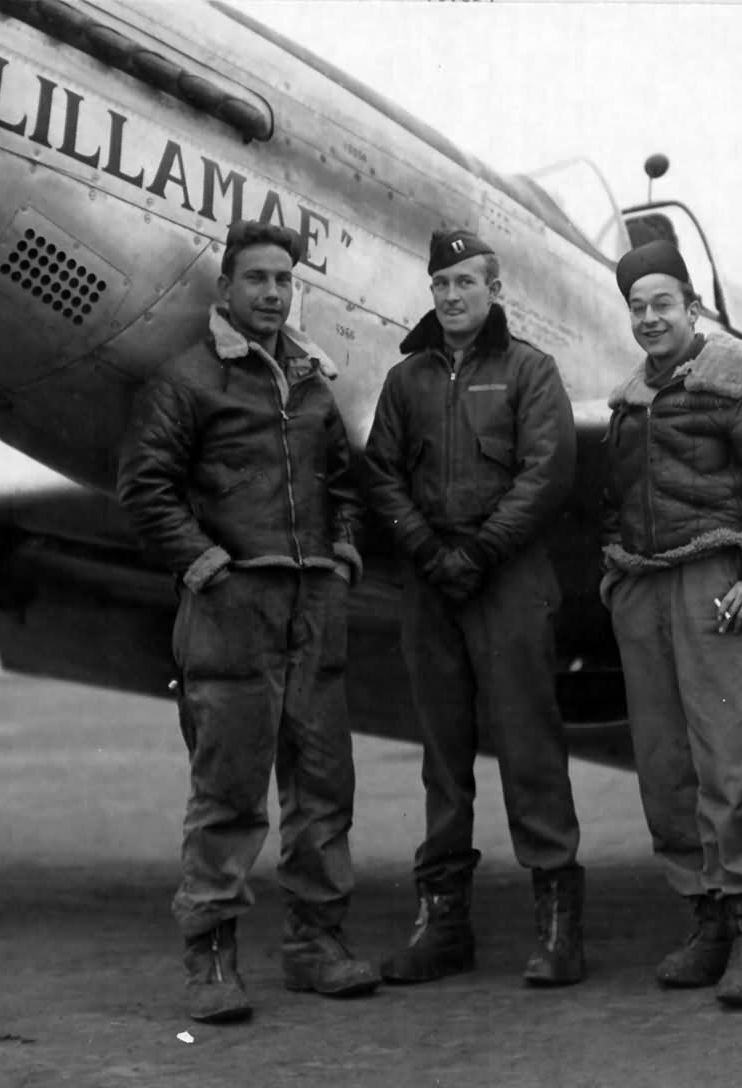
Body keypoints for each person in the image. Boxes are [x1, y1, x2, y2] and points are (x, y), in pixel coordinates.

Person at [117, 221, 379, 1023]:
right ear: (225, 289)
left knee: (323, 786)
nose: (271, 293)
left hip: (314, 608)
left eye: (283, 281)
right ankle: (213, 961)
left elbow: (345, 482)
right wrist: (206, 568)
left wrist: (342, 555)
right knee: (228, 790)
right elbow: (144, 486)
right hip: (231, 609)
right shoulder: (187, 382)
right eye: (257, 279)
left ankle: (316, 946)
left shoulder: (310, 386)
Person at [599, 239, 742, 1007]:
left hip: (714, 588)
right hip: (643, 589)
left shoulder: (739, 380)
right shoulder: (629, 400)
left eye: (663, 304)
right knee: (666, 767)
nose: (649, 319)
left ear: (693, 309)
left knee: (736, 763)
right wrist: (615, 580)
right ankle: (704, 920)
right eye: (637, 307)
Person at [362, 229, 586, 987]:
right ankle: (443, 925)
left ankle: (558, 929)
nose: (452, 297)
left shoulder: (531, 371)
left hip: (508, 578)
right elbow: (382, 473)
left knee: (530, 748)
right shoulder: (407, 381)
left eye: (465, 283)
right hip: (432, 583)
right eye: (441, 285)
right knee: (442, 754)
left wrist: (480, 553)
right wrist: (430, 554)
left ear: (495, 290)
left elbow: (547, 472)